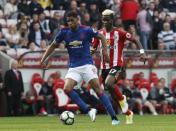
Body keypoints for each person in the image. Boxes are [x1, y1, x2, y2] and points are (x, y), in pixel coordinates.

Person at [41, 11, 120, 125]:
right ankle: (89, 110)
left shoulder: (86, 30)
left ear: (77, 20)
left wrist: (105, 51)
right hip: (74, 67)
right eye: (68, 21)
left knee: (98, 90)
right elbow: (53, 45)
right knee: (67, 89)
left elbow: (102, 36)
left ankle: (114, 118)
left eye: (72, 20)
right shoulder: (64, 32)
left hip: (87, 65)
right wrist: (43, 59)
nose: (69, 23)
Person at [92, 9, 147, 124]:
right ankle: (128, 112)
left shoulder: (120, 32)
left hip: (117, 65)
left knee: (108, 84)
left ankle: (122, 100)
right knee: (111, 92)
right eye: (103, 19)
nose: (105, 22)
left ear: (112, 20)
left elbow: (136, 40)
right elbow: (93, 48)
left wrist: (142, 52)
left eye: (107, 20)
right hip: (104, 67)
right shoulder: (99, 33)